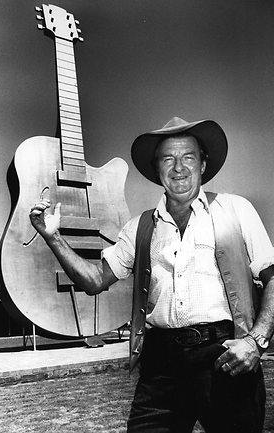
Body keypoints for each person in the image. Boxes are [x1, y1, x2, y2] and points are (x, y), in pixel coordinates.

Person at [30, 116, 274, 433]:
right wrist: (53, 237)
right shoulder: (139, 227)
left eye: (188, 157)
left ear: (203, 164)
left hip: (226, 355)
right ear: (157, 169)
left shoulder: (235, 209)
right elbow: (93, 280)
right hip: (162, 365)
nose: (178, 168)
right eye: (168, 159)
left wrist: (257, 341)